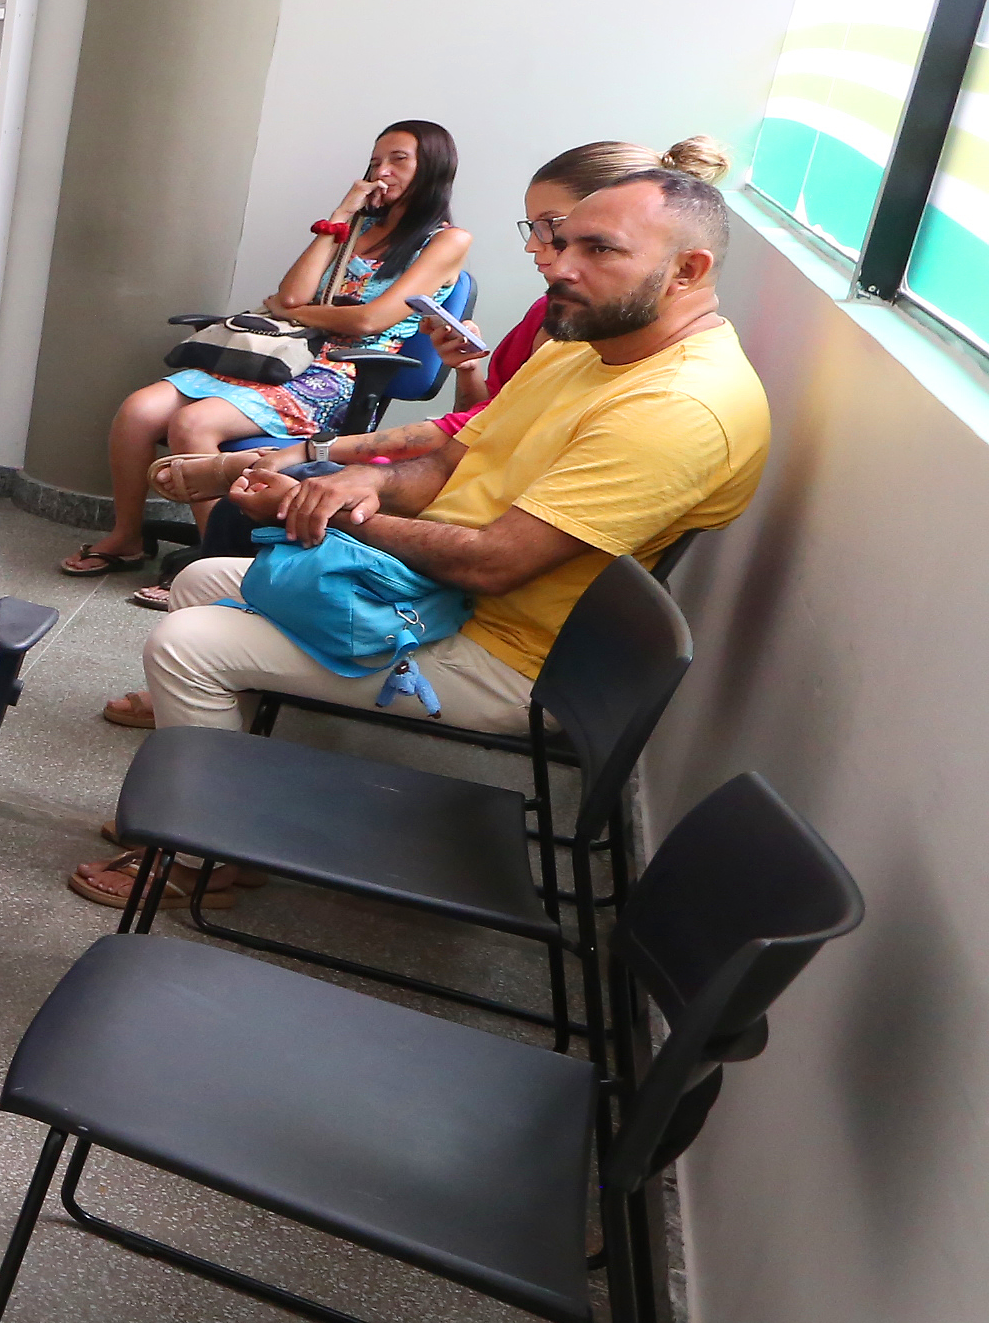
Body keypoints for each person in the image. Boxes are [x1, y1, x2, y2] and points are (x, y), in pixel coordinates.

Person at [69, 169, 768, 905]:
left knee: (185, 646)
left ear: (688, 270)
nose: (560, 266)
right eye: (561, 242)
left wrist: (325, 508)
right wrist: (361, 481)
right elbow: (454, 457)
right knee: (198, 581)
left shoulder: (681, 406)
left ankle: (203, 859)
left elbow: (496, 565)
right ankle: (218, 801)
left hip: (507, 656)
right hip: (439, 599)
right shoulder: (591, 341)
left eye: (599, 250)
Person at [117, 136, 731, 621]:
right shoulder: (568, 327)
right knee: (157, 421)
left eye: (563, 232)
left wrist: (314, 459)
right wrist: (465, 366)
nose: (545, 252)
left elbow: (378, 338)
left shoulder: (619, 356)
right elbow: (485, 421)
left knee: (241, 506)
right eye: (543, 232)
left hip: (426, 489)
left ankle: (229, 635)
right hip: (445, 479)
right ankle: (192, 586)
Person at [57, 120, 473, 577]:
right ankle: (127, 537)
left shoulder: (447, 240)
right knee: (138, 410)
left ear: (432, 168)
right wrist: (342, 213)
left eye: (399, 160)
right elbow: (291, 295)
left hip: (340, 376)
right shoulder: (357, 226)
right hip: (283, 357)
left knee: (193, 421)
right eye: (376, 161)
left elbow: (370, 319)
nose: (383, 170)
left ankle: (218, 562)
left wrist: (301, 313)